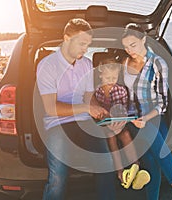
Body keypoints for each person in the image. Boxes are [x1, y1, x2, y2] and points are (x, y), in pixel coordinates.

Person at [36, 18, 115, 200]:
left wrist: (102, 112)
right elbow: (51, 108)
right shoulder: (47, 66)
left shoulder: (86, 64)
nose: (85, 49)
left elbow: (89, 98)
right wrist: (87, 107)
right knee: (58, 177)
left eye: (88, 45)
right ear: (66, 39)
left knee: (106, 164)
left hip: (84, 122)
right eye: (82, 44)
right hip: (57, 125)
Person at [121, 23, 172, 200]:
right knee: (158, 148)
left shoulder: (157, 63)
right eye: (126, 46)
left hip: (153, 116)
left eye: (133, 45)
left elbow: (162, 102)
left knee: (153, 161)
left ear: (143, 40)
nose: (130, 50)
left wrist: (146, 117)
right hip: (134, 119)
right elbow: (126, 96)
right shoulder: (125, 63)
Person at [94, 57, 150, 190]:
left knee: (124, 134)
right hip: (104, 124)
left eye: (114, 77)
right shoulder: (97, 92)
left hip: (119, 121)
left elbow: (124, 110)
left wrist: (118, 122)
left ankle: (135, 167)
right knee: (110, 137)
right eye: (108, 77)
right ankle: (120, 171)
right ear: (101, 75)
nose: (111, 81)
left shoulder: (121, 91)